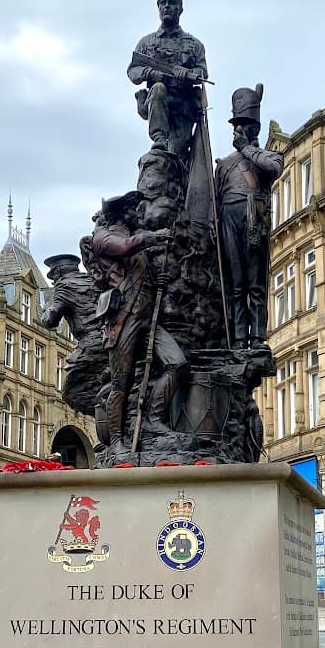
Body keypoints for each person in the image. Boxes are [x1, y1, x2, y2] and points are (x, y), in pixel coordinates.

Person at [91, 190, 187, 456]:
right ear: (121, 212)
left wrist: (160, 282)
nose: (137, 213)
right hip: (123, 318)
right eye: (132, 209)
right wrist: (153, 237)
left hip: (147, 317)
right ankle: (117, 440)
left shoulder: (135, 241)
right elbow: (123, 248)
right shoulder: (103, 237)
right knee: (121, 384)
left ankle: (154, 419)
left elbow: (143, 272)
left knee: (177, 363)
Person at [215, 85, 284, 349]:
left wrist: (246, 149)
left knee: (256, 285)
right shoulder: (224, 163)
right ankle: (238, 337)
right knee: (235, 285)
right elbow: (216, 196)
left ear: (255, 128)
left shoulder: (267, 155)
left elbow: (273, 168)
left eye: (245, 124)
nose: (240, 129)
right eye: (237, 125)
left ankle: (257, 338)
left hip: (254, 217)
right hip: (228, 221)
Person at [127, 0, 208, 156]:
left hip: (183, 105)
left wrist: (187, 73)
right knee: (158, 88)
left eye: (171, 3)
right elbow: (133, 70)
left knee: (178, 155)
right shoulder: (146, 42)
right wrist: (150, 73)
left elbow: (203, 73)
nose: (167, 7)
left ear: (180, 9)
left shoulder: (194, 44)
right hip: (158, 102)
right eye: (162, 4)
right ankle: (159, 137)